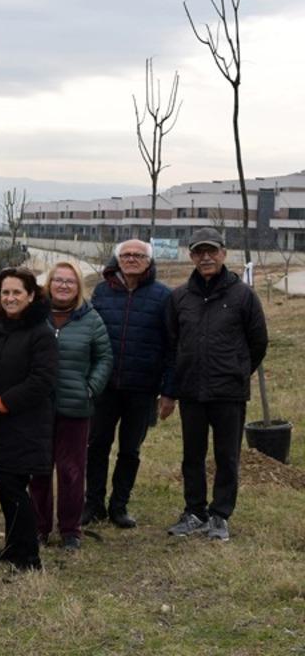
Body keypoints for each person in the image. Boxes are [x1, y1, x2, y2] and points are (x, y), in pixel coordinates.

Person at [163, 228, 268, 542]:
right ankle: (194, 512)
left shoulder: (243, 296)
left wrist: (238, 371)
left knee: (227, 456)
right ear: (191, 256)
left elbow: (258, 342)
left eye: (212, 251)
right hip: (191, 390)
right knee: (192, 455)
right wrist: (173, 386)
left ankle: (220, 514)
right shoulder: (180, 297)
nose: (206, 257)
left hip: (228, 392)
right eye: (199, 252)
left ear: (224, 253)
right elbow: (171, 343)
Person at [0, 267, 57, 572]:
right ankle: (13, 546)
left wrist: (2, 404)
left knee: (14, 488)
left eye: (17, 292)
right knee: (6, 486)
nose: (10, 298)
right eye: (5, 292)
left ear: (31, 296)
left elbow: (41, 381)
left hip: (25, 424)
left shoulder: (41, 333)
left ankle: (29, 556)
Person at [84, 239, 174, 529]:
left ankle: (119, 505)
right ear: (117, 259)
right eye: (126, 255)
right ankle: (93, 503)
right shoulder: (102, 292)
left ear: (149, 261)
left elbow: (172, 346)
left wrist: (168, 391)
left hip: (143, 388)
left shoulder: (163, 296)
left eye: (138, 255)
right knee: (97, 445)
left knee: (130, 450)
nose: (131, 259)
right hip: (105, 386)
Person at [28, 262, 112, 551]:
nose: (64, 286)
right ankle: (39, 527)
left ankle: (70, 531)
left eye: (70, 281)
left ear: (79, 287)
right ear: (49, 284)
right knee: (39, 470)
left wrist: (91, 388)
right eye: (58, 280)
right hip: (38, 407)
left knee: (71, 471)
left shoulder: (91, 319)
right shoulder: (35, 317)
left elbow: (104, 358)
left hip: (75, 407)